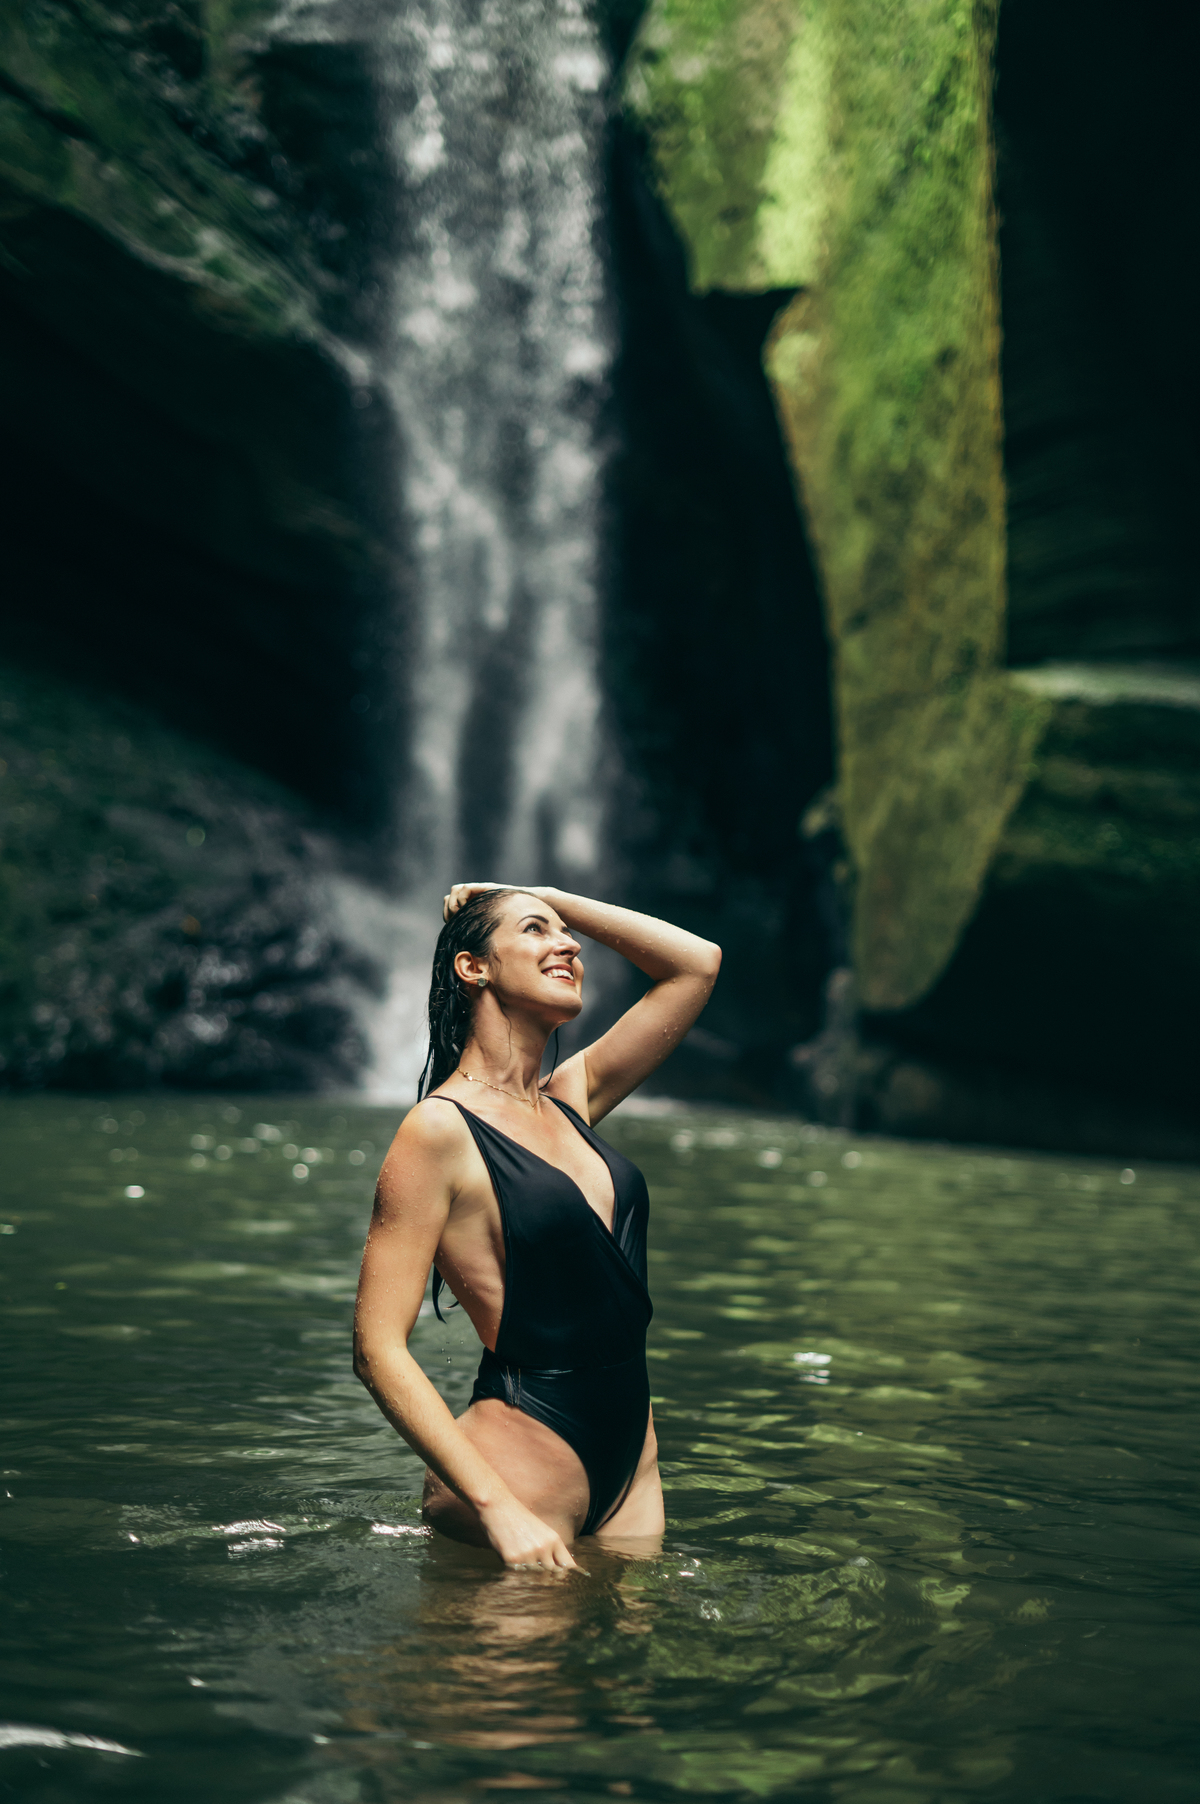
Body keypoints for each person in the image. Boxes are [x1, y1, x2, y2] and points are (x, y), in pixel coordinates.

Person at [353, 881, 721, 1572]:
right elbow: (376, 1348)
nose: (569, 945)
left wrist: (545, 896)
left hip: (631, 1470)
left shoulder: (569, 1099)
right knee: (501, 1685)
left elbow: (696, 965)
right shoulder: (438, 1130)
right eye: (535, 930)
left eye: (567, 933)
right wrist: (498, 1508)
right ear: (474, 968)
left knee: (618, 1679)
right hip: (519, 1472)